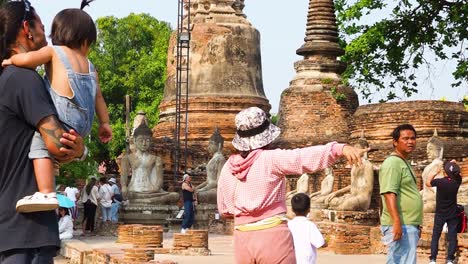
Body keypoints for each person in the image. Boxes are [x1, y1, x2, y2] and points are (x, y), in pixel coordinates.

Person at [217, 107, 367, 264]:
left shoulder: (229, 166)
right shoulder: (270, 159)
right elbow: (301, 158)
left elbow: (224, 210)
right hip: (272, 236)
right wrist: (338, 148)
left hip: (242, 238)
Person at [3, 2, 112, 214]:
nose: (44, 27)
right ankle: (50, 177)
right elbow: (98, 97)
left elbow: (26, 59)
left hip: (64, 115)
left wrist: (11, 60)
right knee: (45, 145)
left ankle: (46, 190)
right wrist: (105, 124)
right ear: (84, 41)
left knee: (39, 143)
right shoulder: (91, 67)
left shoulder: (53, 53)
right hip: (84, 124)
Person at [0, 1, 86, 262]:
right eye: (40, 23)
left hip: (11, 228)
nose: (45, 30)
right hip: (27, 229)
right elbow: (58, 144)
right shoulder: (24, 79)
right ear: (26, 28)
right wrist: (80, 149)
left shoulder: (7, 79)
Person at [379, 124, 423, 264]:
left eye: (413, 138)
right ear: (395, 142)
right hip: (400, 223)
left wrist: (416, 223)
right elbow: (389, 193)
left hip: (409, 223)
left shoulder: (404, 162)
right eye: (405, 138)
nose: (410, 141)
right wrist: (396, 222)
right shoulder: (392, 163)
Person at [427, 161, 462, 264]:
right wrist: (455, 165)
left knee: (436, 236)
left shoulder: (440, 182)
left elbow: (428, 183)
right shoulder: (456, 182)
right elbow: (458, 174)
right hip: (452, 214)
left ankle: (433, 259)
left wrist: (434, 173)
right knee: (452, 236)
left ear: (445, 172)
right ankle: (450, 259)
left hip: (440, 213)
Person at [288, 193, 325, 264]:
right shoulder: (310, 225)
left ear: (292, 209)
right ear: (309, 209)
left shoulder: (288, 225)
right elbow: (320, 243)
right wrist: (326, 242)